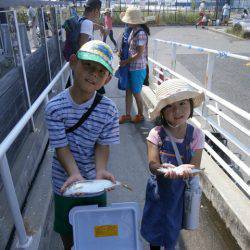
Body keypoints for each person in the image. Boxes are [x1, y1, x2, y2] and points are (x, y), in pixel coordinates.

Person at [45, 40, 119, 250]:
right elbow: (61, 147)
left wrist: (101, 170)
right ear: (73, 62)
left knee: (97, 229)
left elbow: (103, 145)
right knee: (67, 229)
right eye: (88, 65)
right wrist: (75, 175)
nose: (93, 74)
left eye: (101, 71)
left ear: (108, 79)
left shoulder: (109, 109)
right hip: (66, 182)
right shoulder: (54, 108)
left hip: (96, 182)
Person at [140, 79, 205, 250]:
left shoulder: (196, 135)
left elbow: (195, 165)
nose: (177, 110)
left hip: (179, 194)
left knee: (172, 229)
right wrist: (162, 168)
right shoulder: (156, 133)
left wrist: (187, 170)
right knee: (154, 227)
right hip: (158, 192)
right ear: (162, 111)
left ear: (190, 105)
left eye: (183, 103)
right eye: (169, 106)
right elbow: (152, 164)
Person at [119, 7, 150, 124]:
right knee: (128, 91)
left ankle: (140, 115)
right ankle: (127, 115)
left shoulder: (140, 33)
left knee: (136, 93)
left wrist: (125, 61)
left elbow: (139, 53)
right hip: (131, 67)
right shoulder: (133, 30)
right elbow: (131, 49)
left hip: (137, 68)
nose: (126, 22)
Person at [78, 0, 106, 94]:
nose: (99, 15)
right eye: (99, 12)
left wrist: (101, 27)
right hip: (86, 67)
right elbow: (82, 47)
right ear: (95, 11)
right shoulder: (87, 23)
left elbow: (92, 26)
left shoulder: (82, 20)